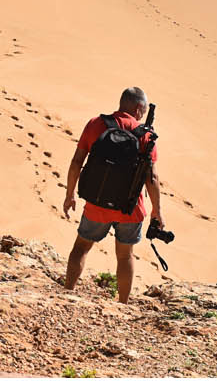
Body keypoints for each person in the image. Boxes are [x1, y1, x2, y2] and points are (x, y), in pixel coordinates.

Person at [59, 87, 166, 303]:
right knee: (125, 255)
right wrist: (157, 211)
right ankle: (123, 304)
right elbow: (151, 179)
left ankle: (67, 293)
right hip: (130, 208)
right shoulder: (146, 136)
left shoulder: (96, 124)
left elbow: (76, 161)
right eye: (143, 111)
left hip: (97, 204)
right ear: (138, 108)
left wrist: (70, 194)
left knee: (81, 247)